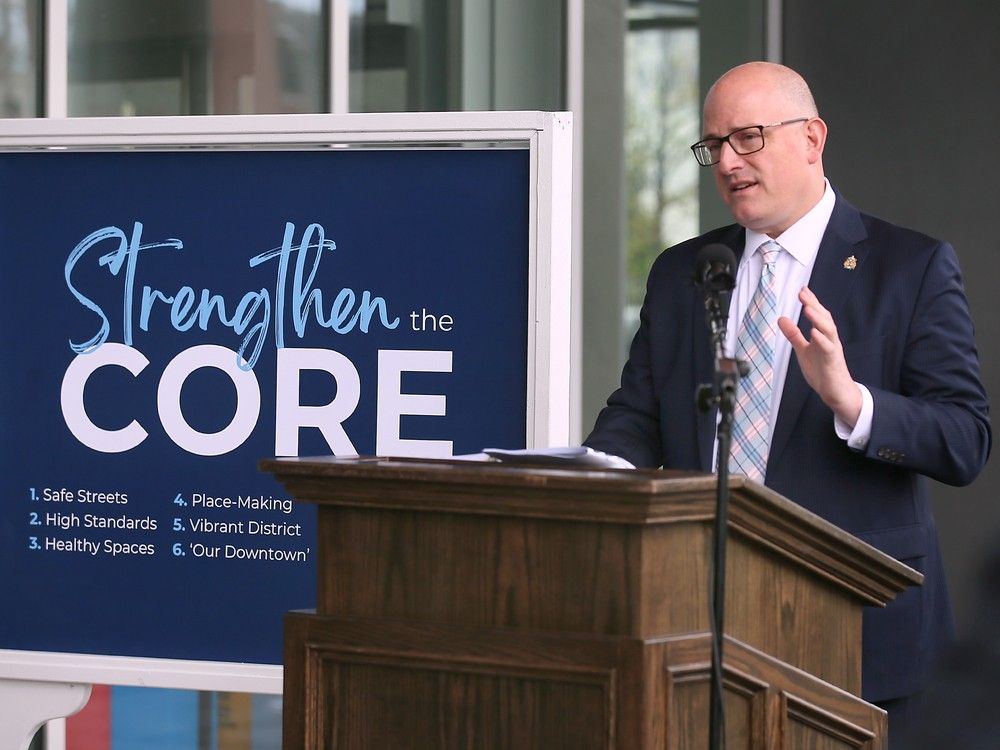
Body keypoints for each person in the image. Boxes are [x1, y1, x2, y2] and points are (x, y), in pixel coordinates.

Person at [584, 61, 991, 745]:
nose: (727, 162)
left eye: (748, 137)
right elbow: (638, 414)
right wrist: (595, 476)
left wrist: (851, 400)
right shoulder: (685, 270)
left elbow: (965, 438)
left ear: (812, 138)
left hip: (852, 634)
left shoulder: (908, 267)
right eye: (714, 145)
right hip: (697, 624)